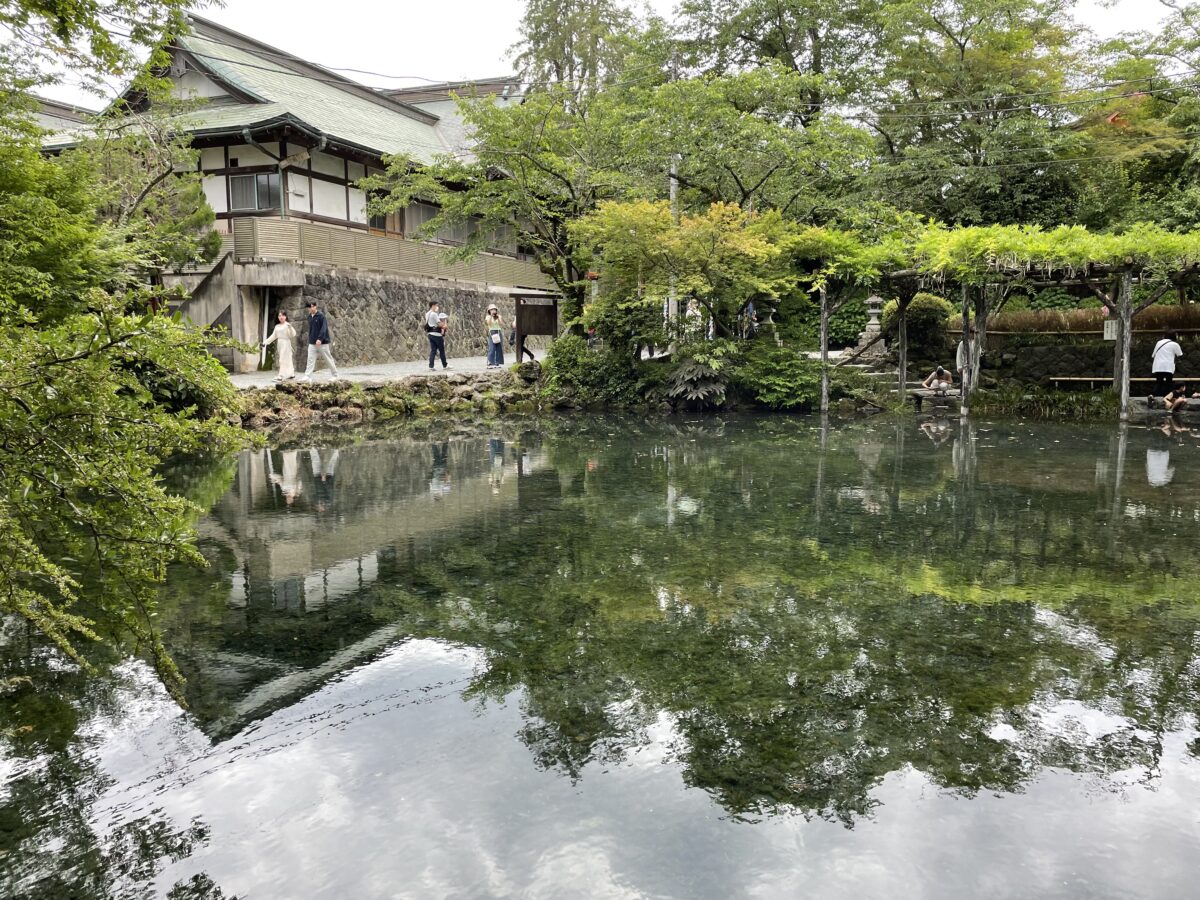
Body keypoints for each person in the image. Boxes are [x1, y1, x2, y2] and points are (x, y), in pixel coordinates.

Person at [297, 301, 339, 381]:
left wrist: (320, 338)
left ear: (315, 307)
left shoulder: (321, 316)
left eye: (312, 306)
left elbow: (324, 328)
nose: (310, 308)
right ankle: (307, 376)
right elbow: (311, 330)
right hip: (312, 343)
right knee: (310, 359)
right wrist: (311, 339)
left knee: (328, 358)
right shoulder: (309, 317)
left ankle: (335, 375)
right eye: (309, 307)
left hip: (322, 343)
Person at [262, 310, 298, 381]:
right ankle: (291, 374)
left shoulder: (287, 325)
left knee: (283, 359)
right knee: (285, 359)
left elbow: (293, 334)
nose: (281, 317)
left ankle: (281, 375)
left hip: (286, 343)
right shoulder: (277, 326)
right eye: (279, 315)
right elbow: (273, 336)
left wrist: (290, 328)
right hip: (280, 343)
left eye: (282, 315)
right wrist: (265, 342)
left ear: (285, 316)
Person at [1151, 331, 1183, 397]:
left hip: (1158, 366)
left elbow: (1153, 355)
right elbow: (1180, 354)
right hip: (1168, 366)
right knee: (1169, 383)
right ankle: (1166, 398)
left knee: (1159, 383)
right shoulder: (1174, 344)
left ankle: (1152, 396)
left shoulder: (1158, 342)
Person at [426, 300, 448, 370]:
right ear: (433, 306)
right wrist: (444, 323)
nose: (437, 307)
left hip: (430, 334)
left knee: (433, 350)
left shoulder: (427, 314)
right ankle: (445, 365)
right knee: (441, 350)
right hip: (436, 334)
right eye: (436, 305)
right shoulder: (434, 314)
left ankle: (431, 366)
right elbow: (439, 324)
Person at [484, 304, 505, 368]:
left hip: (498, 331)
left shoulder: (499, 316)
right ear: (489, 311)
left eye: (494, 309)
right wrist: (491, 316)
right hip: (492, 332)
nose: (493, 311)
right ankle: (490, 362)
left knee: (499, 347)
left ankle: (497, 362)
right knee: (492, 347)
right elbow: (489, 324)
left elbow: (501, 324)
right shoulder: (488, 317)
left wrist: (498, 318)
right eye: (491, 310)